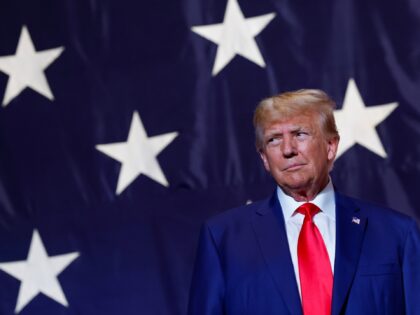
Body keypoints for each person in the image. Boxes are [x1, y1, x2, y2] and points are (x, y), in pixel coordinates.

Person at [187, 89, 420, 315]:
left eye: (300, 134)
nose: (288, 149)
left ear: (330, 146)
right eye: (274, 140)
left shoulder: (396, 233)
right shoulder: (223, 239)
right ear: (264, 159)